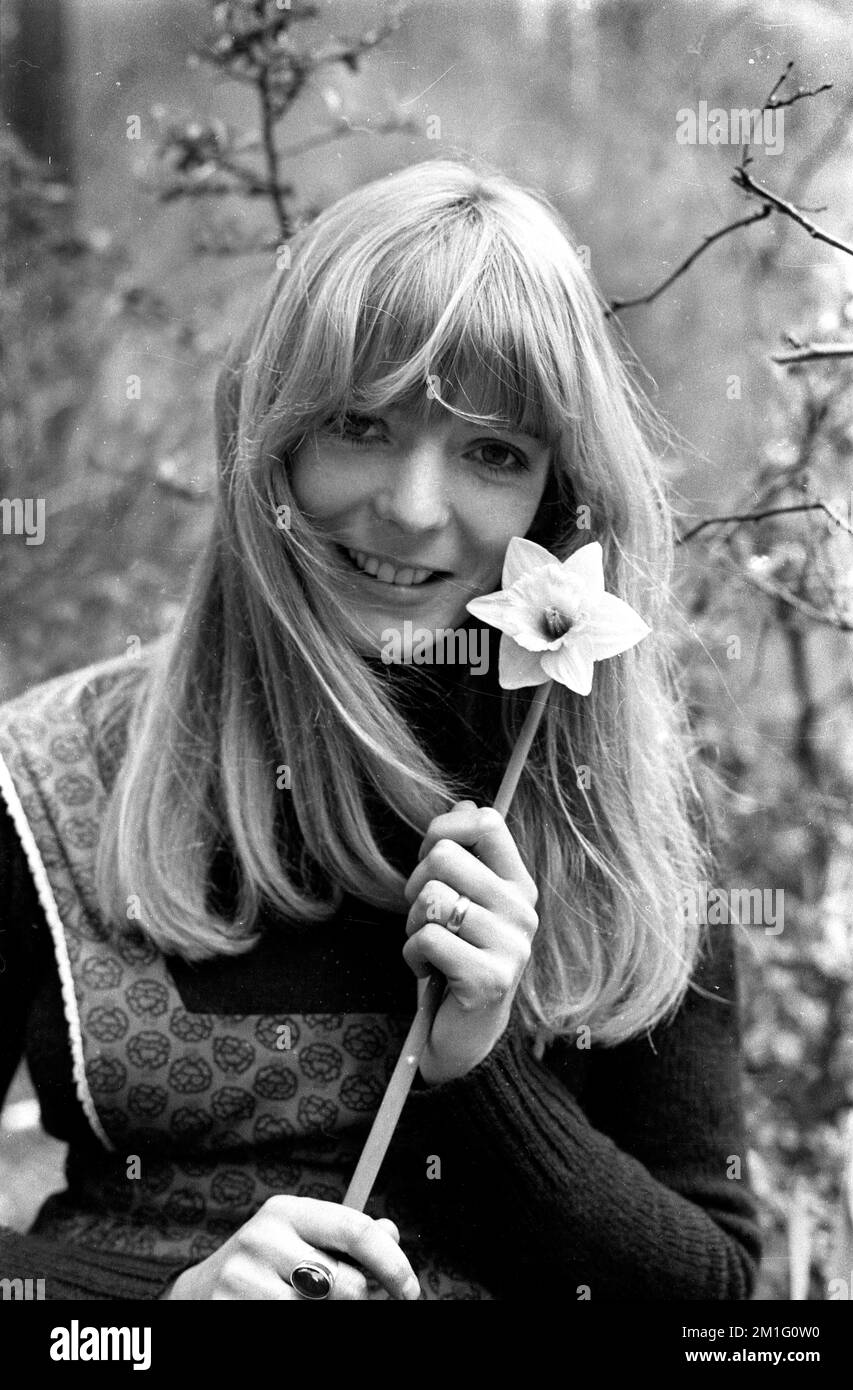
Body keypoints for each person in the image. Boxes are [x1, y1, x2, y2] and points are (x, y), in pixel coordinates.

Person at [0, 159, 761, 1301]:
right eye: (362, 424)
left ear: (560, 495)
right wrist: (155, 1310)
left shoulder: (619, 791)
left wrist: (479, 1065)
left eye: (492, 451)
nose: (411, 507)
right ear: (273, 436)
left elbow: (709, 1298)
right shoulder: (50, 773)